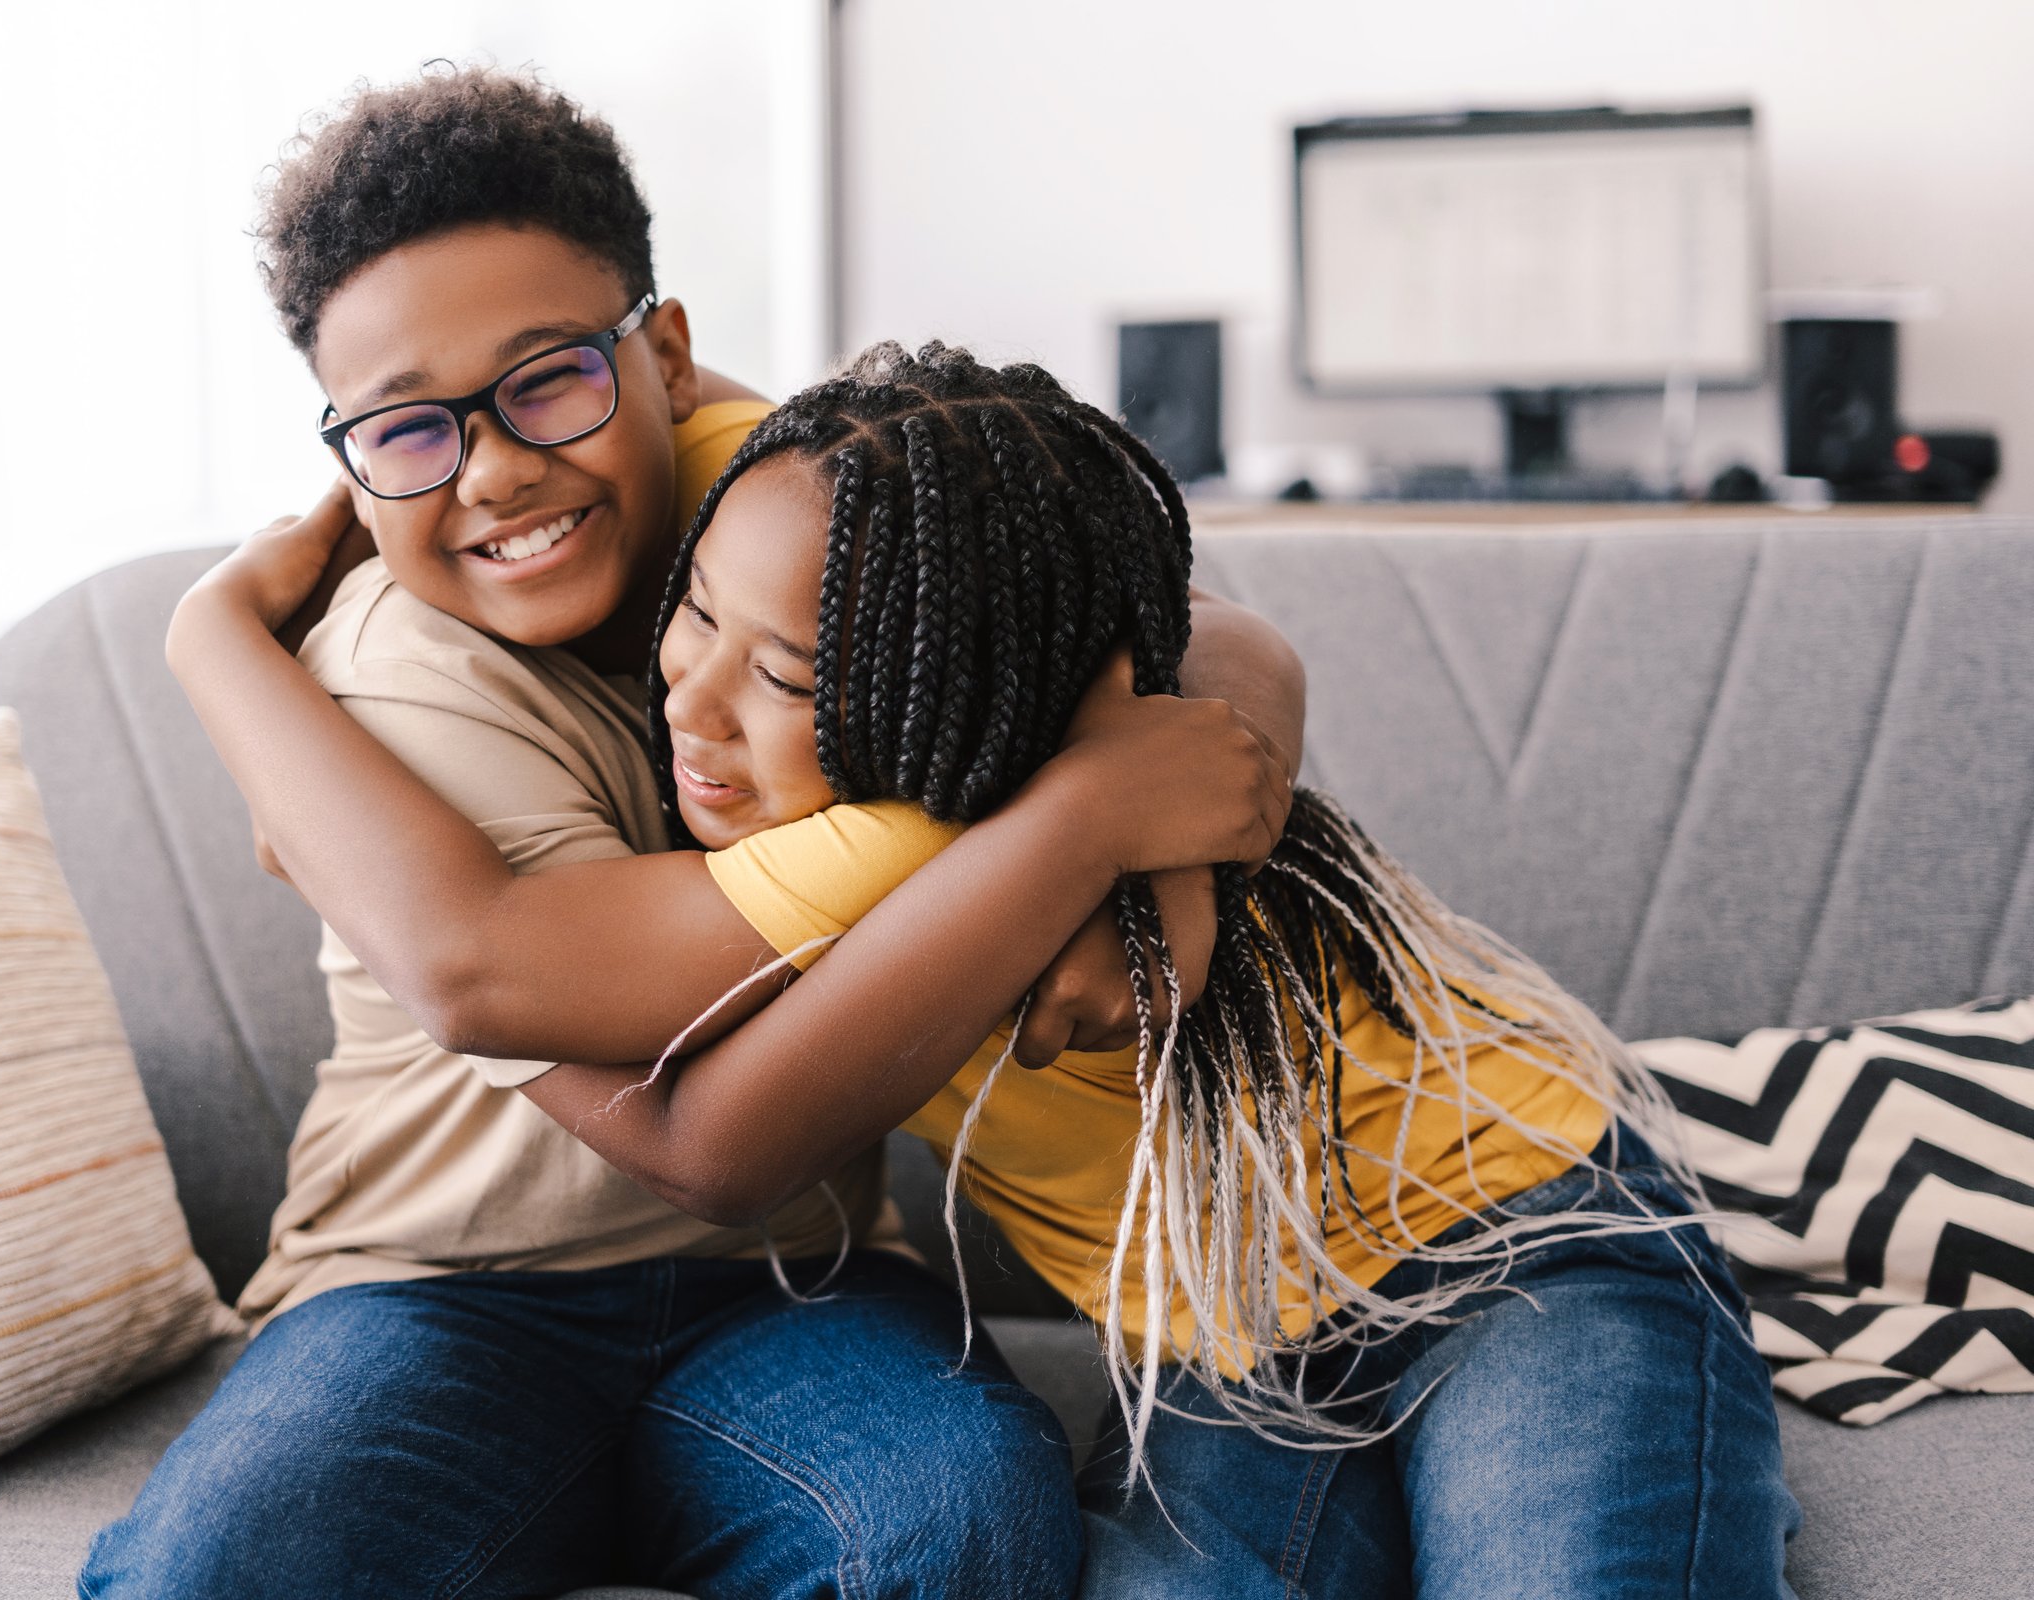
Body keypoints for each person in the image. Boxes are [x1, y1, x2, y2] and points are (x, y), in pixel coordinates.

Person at [198, 339, 1804, 1598]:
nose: (687, 707)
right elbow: (1155, 613)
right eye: (692, 623)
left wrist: (1122, 831)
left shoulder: (904, 831)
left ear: (942, 696)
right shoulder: (832, 589)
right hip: (1223, 1338)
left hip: (1516, 1241)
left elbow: (689, 1122)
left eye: (780, 679)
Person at [91, 68, 1306, 1600]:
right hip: (423, 1293)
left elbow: (1191, 634)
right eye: (407, 431)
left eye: (547, 382)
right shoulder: (393, 666)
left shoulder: (802, 522)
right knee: (222, 1572)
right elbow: (504, 975)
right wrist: (1088, 824)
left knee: (964, 1537)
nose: (496, 472)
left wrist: (1184, 849)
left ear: (662, 354)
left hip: (788, 1291)